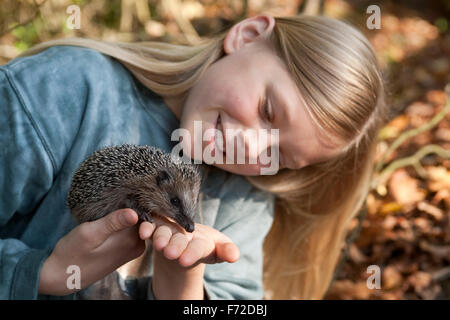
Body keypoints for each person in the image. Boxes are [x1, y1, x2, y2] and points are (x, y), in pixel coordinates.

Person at [0, 13, 389, 300]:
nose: (251, 149)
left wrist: (183, 285)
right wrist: (42, 273)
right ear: (247, 35)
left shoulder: (245, 201)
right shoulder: (67, 91)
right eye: (268, 109)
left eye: (278, 156)